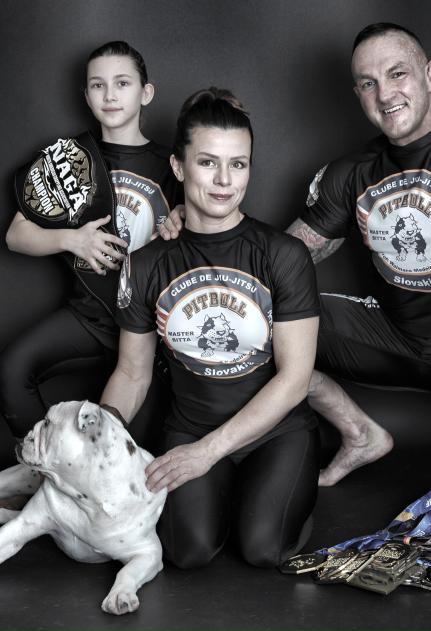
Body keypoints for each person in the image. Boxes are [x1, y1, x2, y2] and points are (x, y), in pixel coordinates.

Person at [161, 23, 431, 524]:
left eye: (398, 74)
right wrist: (193, 222)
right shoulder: (353, 172)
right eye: (368, 83)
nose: (385, 94)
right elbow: (276, 261)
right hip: (390, 338)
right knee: (254, 325)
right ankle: (360, 432)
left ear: (429, 75)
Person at [100, 87, 320, 569]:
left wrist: (208, 454)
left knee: (264, 549)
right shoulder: (146, 263)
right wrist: (99, 437)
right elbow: (132, 374)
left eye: (238, 164)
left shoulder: (283, 255)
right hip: (190, 427)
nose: (224, 180)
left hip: (276, 431)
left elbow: (295, 379)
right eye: (207, 163)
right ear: (179, 167)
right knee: (187, 552)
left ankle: (277, 492)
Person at [1, 41, 179, 447]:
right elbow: (15, 235)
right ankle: (52, 471)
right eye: (98, 85)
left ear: (146, 92)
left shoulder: (173, 164)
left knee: (133, 445)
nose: (110, 94)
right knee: (11, 370)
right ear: (86, 95)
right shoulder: (69, 158)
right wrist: (73, 239)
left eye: (122, 83)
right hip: (89, 316)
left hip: (150, 330)